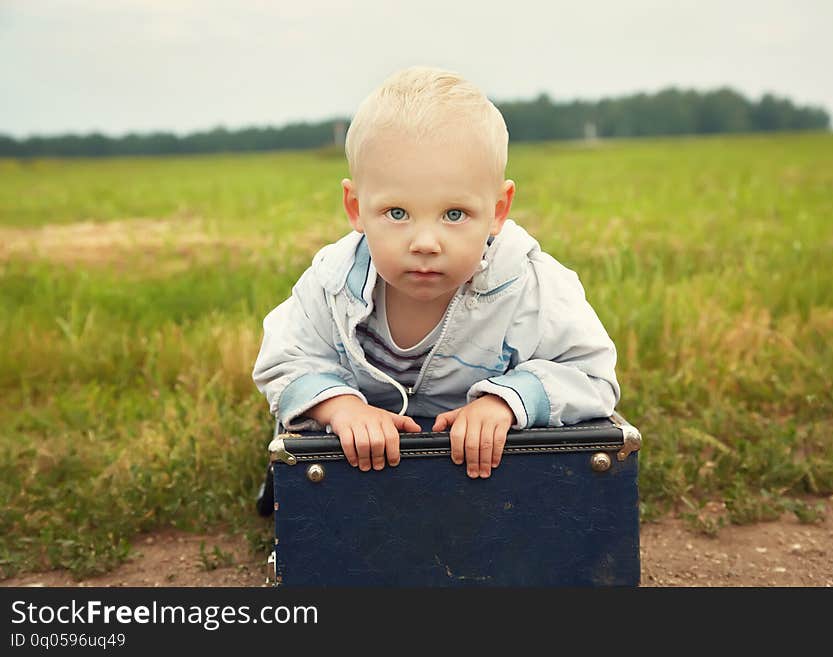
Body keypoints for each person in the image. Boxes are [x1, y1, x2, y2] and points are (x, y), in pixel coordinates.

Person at [252, 65, 620, 479]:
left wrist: (508, 401)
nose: (425, 242)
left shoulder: (529, 285)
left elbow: (592, 374)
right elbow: (283, 360)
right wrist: (339, 407)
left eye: (454, 214)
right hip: (366, 479)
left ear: (498, 210)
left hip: (491, 484)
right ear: (355, 207)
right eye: (397, 213)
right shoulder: (332, 283)